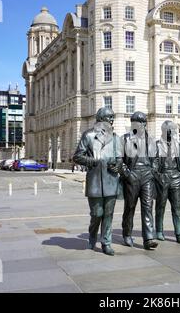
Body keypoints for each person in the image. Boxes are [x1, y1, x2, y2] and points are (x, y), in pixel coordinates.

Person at [73, 107, 122, 256]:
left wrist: (117, 165)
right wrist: (93, 161)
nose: (112, 120)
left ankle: (106, 242)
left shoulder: (115, 138)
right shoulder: (88, 136)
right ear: (101, 120)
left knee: (108, 214)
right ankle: (92, 236)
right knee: (96, 214)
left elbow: (120, 158)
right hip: (95, 181)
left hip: (111, 181)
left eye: (113, 118)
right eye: (109, 118)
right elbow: (77, 156)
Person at [120, 112, 158, 250]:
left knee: (148, 207)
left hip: (147, 176)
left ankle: (148, 238)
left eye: (143, 122)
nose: (142, 124)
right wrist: (127, 174)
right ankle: (127, 233)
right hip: (133, 175)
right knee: (130, 207)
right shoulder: (125, 139)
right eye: (139, 122)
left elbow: (157, 159)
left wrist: (153, 169)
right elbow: (120, 160)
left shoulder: (151, 140)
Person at [153, 121, 180, 244]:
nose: (171, 132)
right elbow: (154, 163)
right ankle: (159, 231)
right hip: (162, 177)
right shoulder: (156, 145)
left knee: (177, 208)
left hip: (175, 178)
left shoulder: (177, 145)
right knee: (160, 207)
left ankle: (179, 234)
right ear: (163, 130)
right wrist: (158, 176)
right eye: (169, 130)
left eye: (172, 130)